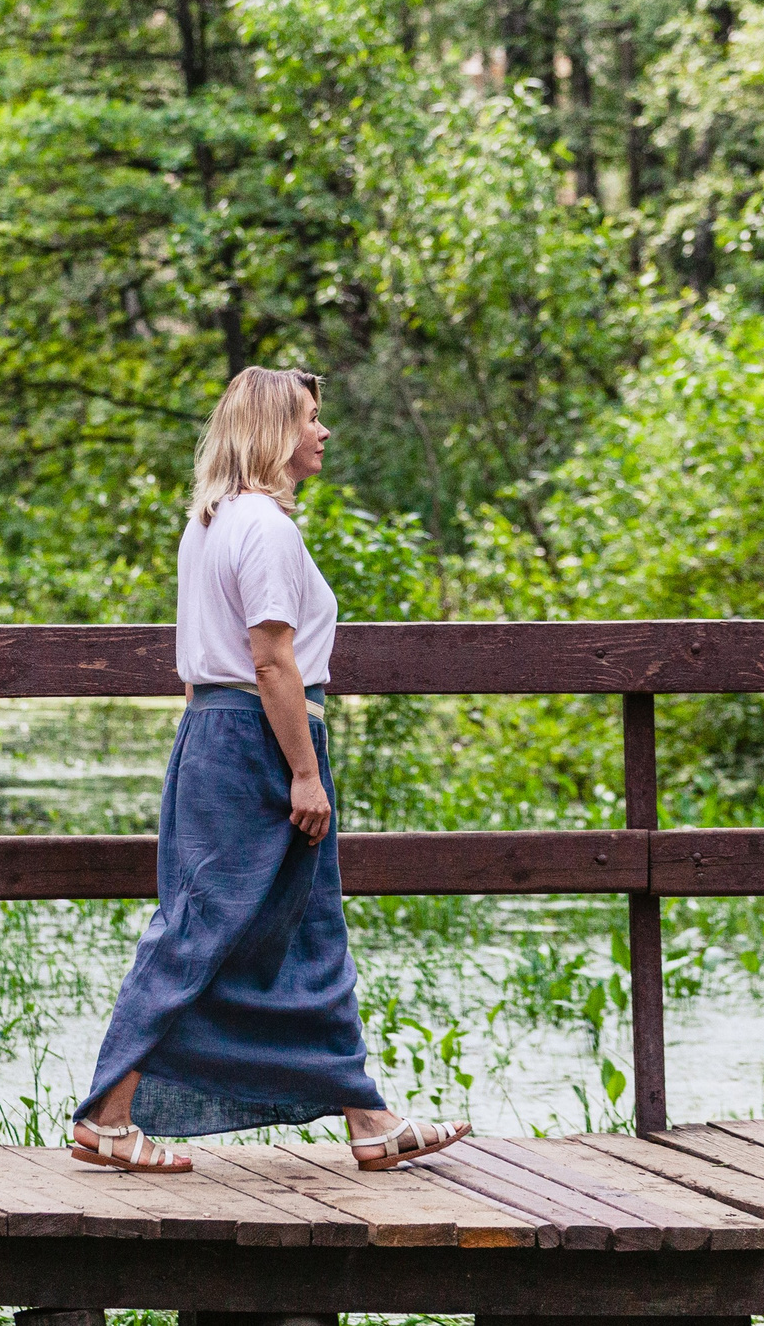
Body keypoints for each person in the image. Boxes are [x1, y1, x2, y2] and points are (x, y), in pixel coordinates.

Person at [69, 366, 472, 1175]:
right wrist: (302, 771)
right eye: (313, 419)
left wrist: (226, 743)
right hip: (260, 738)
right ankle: (108, 1115)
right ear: (275, 431)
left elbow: (197, 667)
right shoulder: (265, 527)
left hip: (216, 733)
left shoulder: (209, 523)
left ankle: (368, 1117)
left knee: (307, 925)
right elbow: (273, 658)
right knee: (198, 926)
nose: (324, 433)